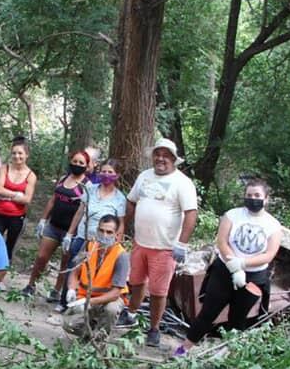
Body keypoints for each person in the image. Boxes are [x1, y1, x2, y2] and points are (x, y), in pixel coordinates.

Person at [174, 178, 280, 356]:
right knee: (208, 313)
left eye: (257, 195)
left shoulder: (273, 225)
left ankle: (227, 357)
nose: (252, 198)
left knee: (239, 319)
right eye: (249, 195)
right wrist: (234, 266)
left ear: (266, 198)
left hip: (253, 277)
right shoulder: (233, 215)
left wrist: (243, 264)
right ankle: (183, 349)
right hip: (224, 270)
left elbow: (269, 254)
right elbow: (222, 241)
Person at [117, 138, 198, 347]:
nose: (161, 158)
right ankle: (131, 313)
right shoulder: (144, 176)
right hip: (141, 242)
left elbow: (191, 213)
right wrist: (127, 225)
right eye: (157, 154)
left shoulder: (182, 183)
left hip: (165, 247)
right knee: (135, 282)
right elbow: (131, 200)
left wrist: (182, 243)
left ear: (173, 159)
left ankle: (153, 328)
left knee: (158, 291)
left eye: (166, 155)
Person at [21, 150, 89, 302]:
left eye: (81, 163)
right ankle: (31, 285)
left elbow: (82, 210)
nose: (77, 165)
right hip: (53, 226)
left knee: (65, 263)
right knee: (41, 257)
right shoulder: (64, 178)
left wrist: (71, 234)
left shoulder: (87, 185)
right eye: (75, 161)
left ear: (86, 166)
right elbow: (53, 199)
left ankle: (56, 291)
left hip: (70, 230)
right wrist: (43, 220)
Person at [62, 215, 130, 339]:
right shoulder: (89, 246)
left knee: (111, 310)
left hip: (109, 299)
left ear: (116, 234)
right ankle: (90, 332)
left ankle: (100, 339)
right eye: (101, 230)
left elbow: (115, 293)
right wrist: (71, 288)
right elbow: (75, 271)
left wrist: (88, 302)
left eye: (109, 232)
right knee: (68, 324)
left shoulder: (121, 255)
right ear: (97, 230)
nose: (104, 235)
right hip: (86, 296)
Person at [63, 159, 127, 264]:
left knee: (91, 276)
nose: (106, 174)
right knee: (72, 271)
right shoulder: (90, 189)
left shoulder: (119, 198)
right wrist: (69, 235)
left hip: (101, 244)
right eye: (104, 171)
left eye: (110, 172)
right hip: (82, 238)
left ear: (117, 175)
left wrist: (116, 244)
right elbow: (80, 212)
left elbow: (120, 224)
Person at [0, 136, 37, 260]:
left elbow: (27, 199)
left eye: (20, 153)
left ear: (27, 155)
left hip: (17, 217)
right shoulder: (4, 168)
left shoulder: (31, 175)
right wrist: (16, 195)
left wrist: (5, 196)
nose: (17, 156)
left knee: (9, 246)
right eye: (14, 153)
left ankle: (1, 275)